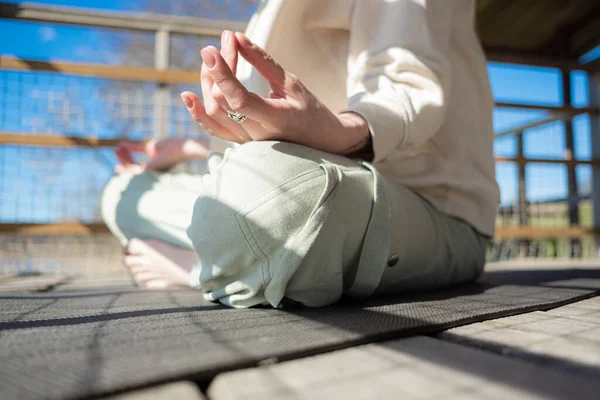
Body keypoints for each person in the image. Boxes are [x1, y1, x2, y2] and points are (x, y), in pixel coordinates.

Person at [101, 0, 500, 308]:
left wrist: (339, 130)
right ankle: (235, 258)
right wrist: (195, 146)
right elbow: (266, 139)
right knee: (123, 192)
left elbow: (405, 84)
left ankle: (199, 267)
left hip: (431, 209)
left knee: (263, 211)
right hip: (303, 184)